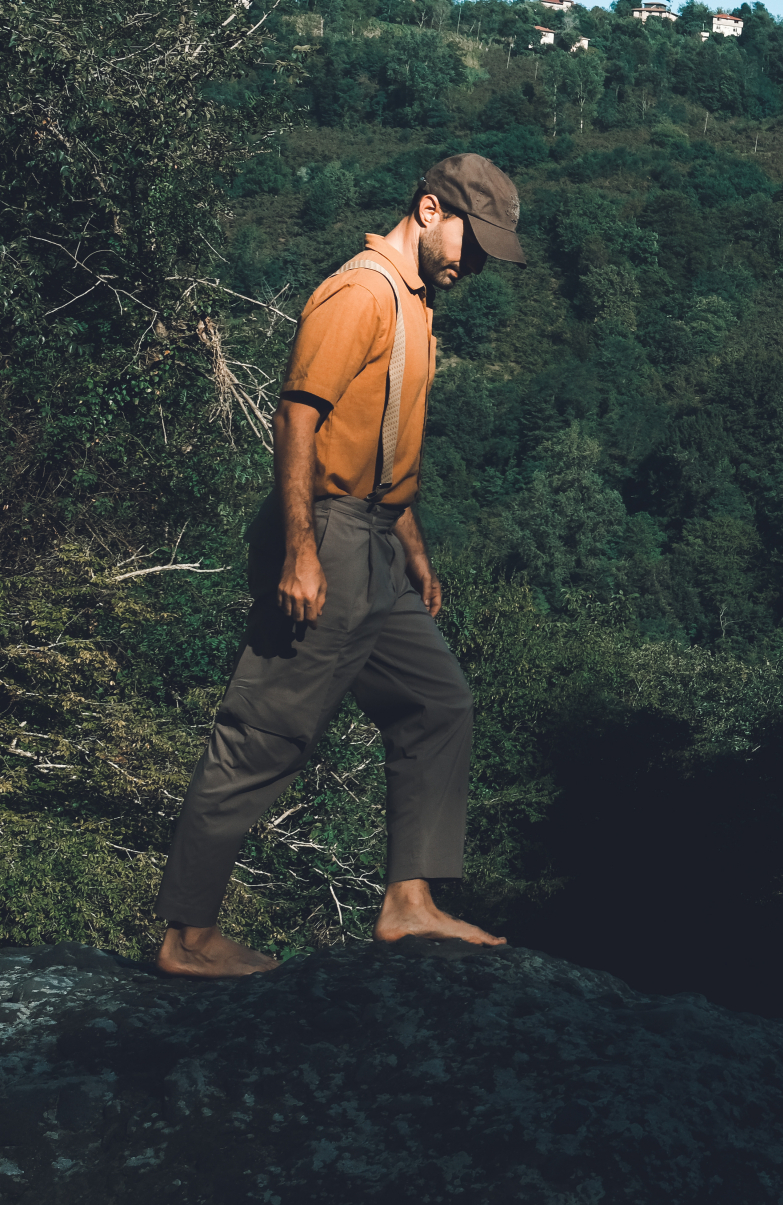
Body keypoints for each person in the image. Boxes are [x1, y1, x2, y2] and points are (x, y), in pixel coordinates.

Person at [154, 155, 526, 977]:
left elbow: (382, 443)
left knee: (438, 703)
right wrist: (300, 550)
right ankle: (187, 937)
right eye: (473, 240)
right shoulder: (360, 291)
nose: (475, 264)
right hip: (324, 534)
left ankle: (408, 903)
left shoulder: (418, 305)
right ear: (430, 210)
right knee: (266, 733)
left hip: (377, 542)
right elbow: (297, 421)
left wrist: (413, 549)